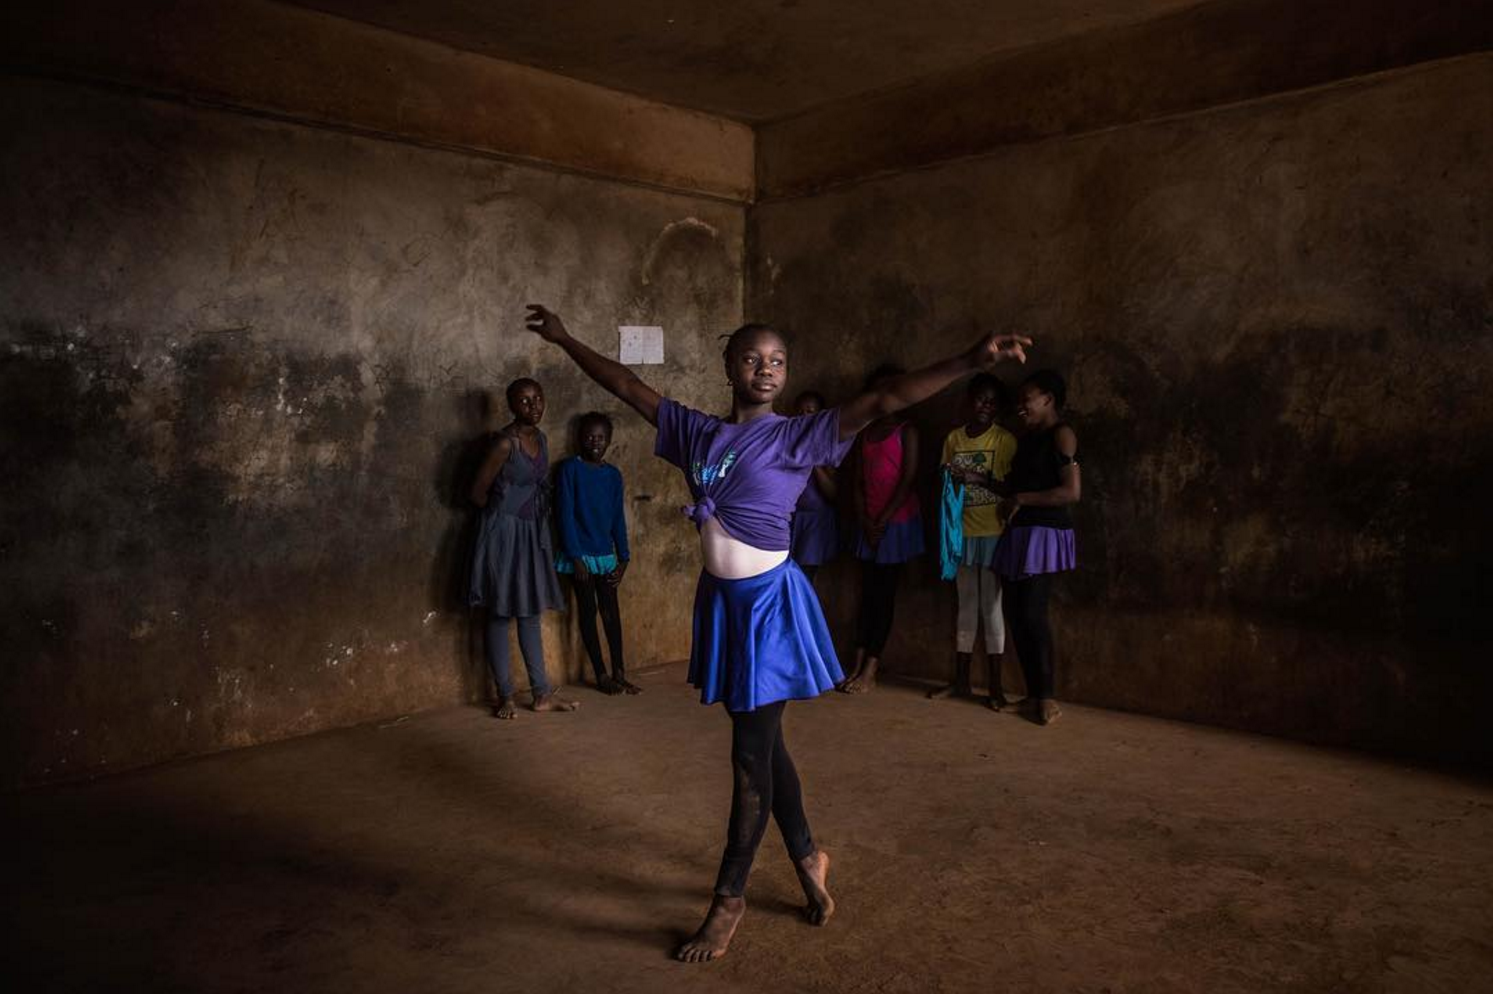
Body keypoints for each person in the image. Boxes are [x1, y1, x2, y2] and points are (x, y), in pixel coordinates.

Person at [523, 304, 1029, 962]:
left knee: (747, 754)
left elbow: (883, 398)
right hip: (723, 606)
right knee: (763, 745)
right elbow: (622, 384)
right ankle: (808, 854)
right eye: (751, 359)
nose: (765, 369)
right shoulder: (694, 432)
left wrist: (968, 361)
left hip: (769, 608)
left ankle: (727, 899)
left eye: (777, 361)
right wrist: (565, 340)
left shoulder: (800, 436)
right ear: (727, 367)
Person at [469, 378, 578, 718]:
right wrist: (503, 517)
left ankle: (541, 694)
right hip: (503, 533)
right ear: (512, 406)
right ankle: (505, 696)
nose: (534, 406)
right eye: (525, 401)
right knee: (500, 613)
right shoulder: (504, 444)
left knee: (529, 613)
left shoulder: (541, 439)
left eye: (538, 399)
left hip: (532, 534)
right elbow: (476, 493)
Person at [992, 370, 1079, 726]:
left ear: (1048, 399)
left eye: (1027, 398)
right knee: (1015, 613)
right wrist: (977, 480)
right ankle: (1031, 695)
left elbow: (1071, 492)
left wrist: (1022, 498)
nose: (1021, 405)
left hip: (1045, 533)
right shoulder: (1026, 439)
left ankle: (1047, 697)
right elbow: (1012, 491)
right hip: (1020, 532)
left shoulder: (1062, 434)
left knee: (1032, 613)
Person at [930, 374, 1018, 708]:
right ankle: (961, 681)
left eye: (993, 402)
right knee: (966, 604)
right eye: (981, 399)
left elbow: (1011, 489)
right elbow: (942, 483)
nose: (986, 406)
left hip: (993, 532)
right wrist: (949, 477)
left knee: (991, 606)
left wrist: (977, 477)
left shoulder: (1004, 440)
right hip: (960, 533)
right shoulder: (954, 438)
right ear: (969, 402)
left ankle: (996, 686)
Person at [840, 366, 923, 695]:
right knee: (868, 595)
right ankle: (857, 663)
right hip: (869, 523)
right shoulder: (865, 432)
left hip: (895, 524)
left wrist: (882, 521)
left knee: (883, 596)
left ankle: (871, 668)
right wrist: (865, 519)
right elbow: (858, 481)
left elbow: (907, 480)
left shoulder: (907, 431)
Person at [554, 412, 640, 695]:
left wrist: (624, 557)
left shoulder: (612, 475)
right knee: (588, 612)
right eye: (590, 436)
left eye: (601, 437)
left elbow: (617, 518)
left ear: (609, 441)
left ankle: (619, 671)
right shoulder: (570, 469)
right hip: (579, 557)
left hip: (606, 555)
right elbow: (564, 515)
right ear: (580, 438)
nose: (595, 441)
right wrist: (575, 556)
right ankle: (601, 674)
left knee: (611, 613)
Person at [788, 391, 841, 581]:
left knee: (804, 578)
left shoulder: (826, 447)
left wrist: (813, 461)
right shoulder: (788, 443)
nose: (804, 417)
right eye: (799, 412)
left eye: (810, 411)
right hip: (790, 521)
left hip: (815, 523)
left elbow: (833, 494)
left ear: (821, 415)